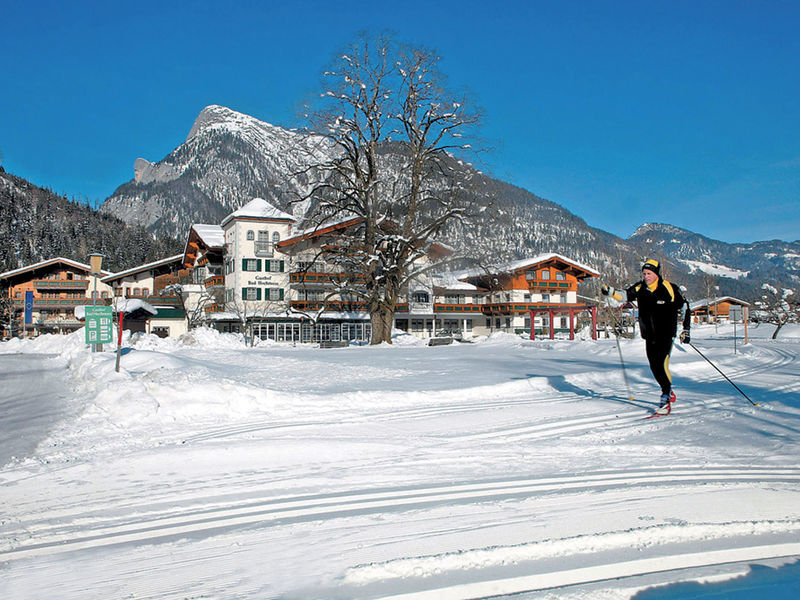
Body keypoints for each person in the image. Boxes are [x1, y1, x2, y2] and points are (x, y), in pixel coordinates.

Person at [602, 259, 691, 412]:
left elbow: (685, 308)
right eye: (644, 273)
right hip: (649, 335)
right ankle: (668, 390)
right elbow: (624, 296)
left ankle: (665, 397)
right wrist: (610, 292)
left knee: (661, 365)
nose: (646, 276)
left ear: (656, 273)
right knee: (654, 367)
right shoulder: (640, 287)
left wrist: (686, 330)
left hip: (666, 333)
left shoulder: (669, 288)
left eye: (649, 273)